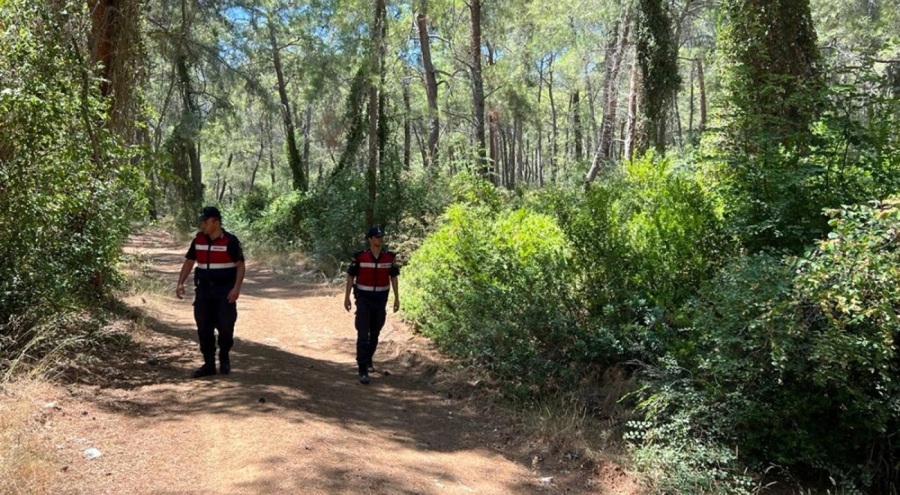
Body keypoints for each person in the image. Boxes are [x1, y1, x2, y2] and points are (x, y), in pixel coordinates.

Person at [176, 206, 246, 378]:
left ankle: (224, 355)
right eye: (202, 222)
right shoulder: (198, 240)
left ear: (216, 222)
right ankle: (209, 364)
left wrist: (236, 288)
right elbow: (189, 262)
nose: (202, 225)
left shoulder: (230, 241)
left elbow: (240, 266)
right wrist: (180, 283)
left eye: (205, 221)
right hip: (204, 291)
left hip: (224, 291)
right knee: (204, 327)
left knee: (225, 326)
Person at [344, 225, 400, 385]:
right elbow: (350, 277)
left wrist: (397, 298)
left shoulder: (389, 257)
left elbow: (394, 277)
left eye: (381, 236)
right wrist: (347, 297)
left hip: (380, 300)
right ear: (370, 239)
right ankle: (362, 369)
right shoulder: (360, 257)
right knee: (363, 333)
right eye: (377, 237)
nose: (380, 239)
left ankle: (368, 359)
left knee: (375, 332)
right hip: (363, 299)